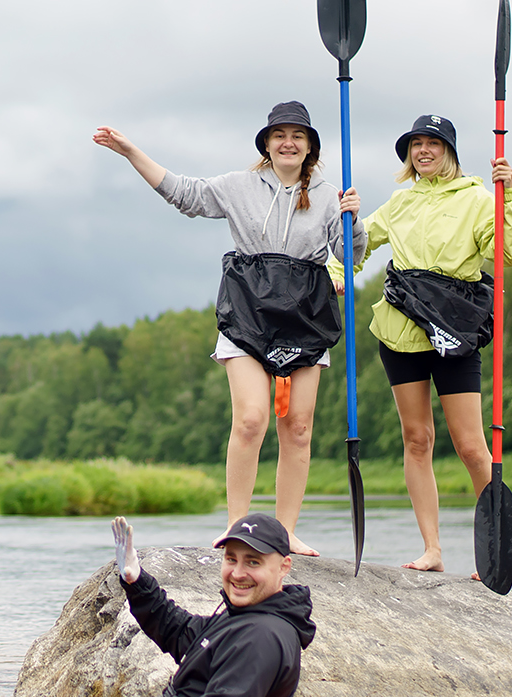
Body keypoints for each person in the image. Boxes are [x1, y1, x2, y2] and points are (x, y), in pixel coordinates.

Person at [93, 103, 364, 557]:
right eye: (279, 134)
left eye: (297, 135)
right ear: (266, 143)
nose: (288, 142)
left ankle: (286, 530)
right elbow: (184, 194)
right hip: (248, 312)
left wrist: (354, 220)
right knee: (253, 417)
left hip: (305, 315)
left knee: (298, 427)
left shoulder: (330, 195)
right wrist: (129, 151)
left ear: (310, 145)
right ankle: (238, 524)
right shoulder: (239, 186)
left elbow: (351, 256)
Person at [350, 114, 512, 572]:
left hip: (454, 331)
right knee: (417, 438)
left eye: (433, 143)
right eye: (416, 145)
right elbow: (356, 248)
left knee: (470, 444)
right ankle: (432, 550)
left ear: (450, 150)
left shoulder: (478, 199)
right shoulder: (399, 203)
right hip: (401, 331)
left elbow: (507, 252)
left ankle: (494, 551)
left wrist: (511, 194)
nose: (423, 151)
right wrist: (346, 219)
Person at [65, 514, 316, 697]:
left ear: (284, 566)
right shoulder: (247, 615)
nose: (238, 574)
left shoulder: (261, 638)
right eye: (231, 559)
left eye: (253, 562)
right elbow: (183, 633)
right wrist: (136, 581)